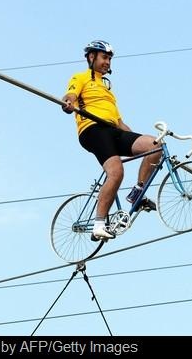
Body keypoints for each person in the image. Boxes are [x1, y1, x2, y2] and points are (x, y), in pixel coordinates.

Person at [62, 40, 160, 240]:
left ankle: (137, 193)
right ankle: (98, 225)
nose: (108, 62)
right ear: (92, 57)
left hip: (113, 130)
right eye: (104, 57)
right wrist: (68, 103)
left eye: (110, 59)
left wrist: (136, 138)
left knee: (155, 146)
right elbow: (69, 96)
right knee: (116, 172)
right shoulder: (80, 77)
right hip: (93, 130)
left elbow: (119, 122)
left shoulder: (107, 89)